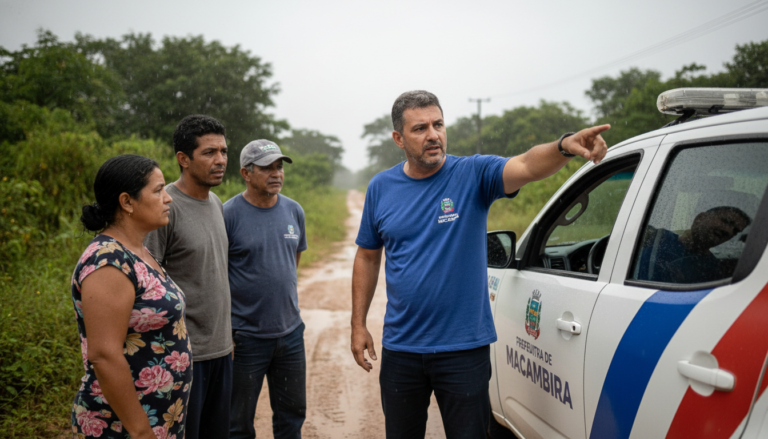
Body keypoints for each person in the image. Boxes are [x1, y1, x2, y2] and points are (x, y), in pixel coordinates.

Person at [350, 90, 609, 438]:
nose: (433, 135)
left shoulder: (472, 174)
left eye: (438, 124)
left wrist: (563, 146)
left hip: (464, 350)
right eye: (420, 128)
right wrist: (358, 324)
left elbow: (528, 165)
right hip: (401, 348)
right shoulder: (381, 187)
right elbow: (368, 255)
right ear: (399, 138)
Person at [72, 154, 190, 439]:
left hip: (159, 418)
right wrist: (140, 431)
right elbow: (104, 356)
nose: (168, 198)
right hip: (122, 425)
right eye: (158, 190)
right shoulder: (108, 262)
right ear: (127, 202)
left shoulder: (139, 251)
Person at [145, 114, 233, 439]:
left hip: (222, 351)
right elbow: (146, 286)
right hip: (183, 357)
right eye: (209, 152)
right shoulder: (166, 207)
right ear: (183, 159)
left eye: (223, 151)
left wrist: (228, 339)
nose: (221, 160)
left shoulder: (216, 203)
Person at [225, 140, 308, 439]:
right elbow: (219, 276)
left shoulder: (294, 211)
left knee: (292, 416)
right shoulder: (228, 215)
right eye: (266, 168)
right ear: (246, 173)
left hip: (290, 334)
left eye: (279, 166)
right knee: (237, 422)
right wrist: (228, 333)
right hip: (245, 338)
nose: (276, 174)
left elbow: (291, 264)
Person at [636, 206, 751, 283]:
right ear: (699, 218)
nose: (729, 231)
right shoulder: (655, 237)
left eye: (735, 231)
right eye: (726, 221)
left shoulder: (713, 268)